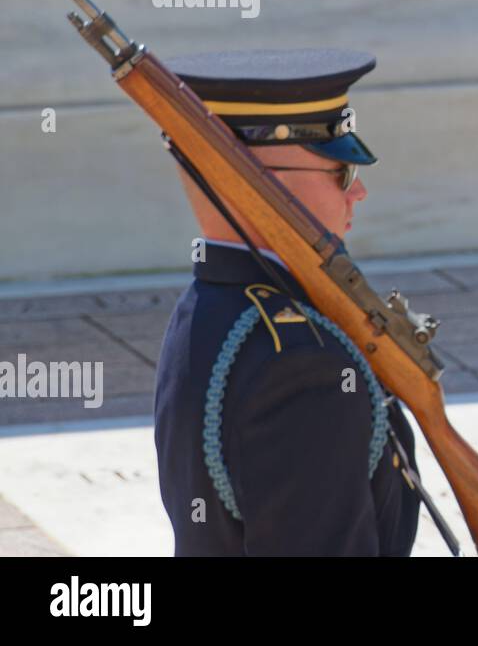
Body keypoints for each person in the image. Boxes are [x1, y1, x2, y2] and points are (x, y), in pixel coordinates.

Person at [153, 48, 424, 555]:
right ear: (263, 187)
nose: (358, 191)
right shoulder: (304, 364)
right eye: (341, 172)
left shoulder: (207, 306)